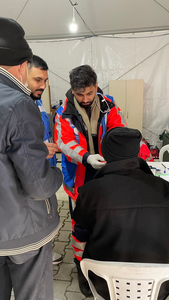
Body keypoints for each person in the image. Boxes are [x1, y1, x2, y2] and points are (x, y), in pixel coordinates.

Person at [0, 17, 63, 300]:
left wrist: (35, 151)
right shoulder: (18, 103)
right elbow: (38, 185)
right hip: (23, 234)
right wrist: (57, 174)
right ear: (25, 66)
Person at [54, 64, 127, 296]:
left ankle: (101, 265)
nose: (85, 99)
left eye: (89, 92)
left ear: (96, 85)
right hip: (79, 177)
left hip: (106, 172)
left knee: (106, 219)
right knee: (80, 226)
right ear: (72, 91)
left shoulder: (109, 104)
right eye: (79, 95)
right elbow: (64, 143)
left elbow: (118, 129)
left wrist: (116, 152)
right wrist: (86, 157)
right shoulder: (63, 112)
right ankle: (81, 269)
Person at [74, 127, 169, 300]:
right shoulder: (164, 188)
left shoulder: (89, 192)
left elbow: (79, 237)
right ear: (137, 152)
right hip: (159, 287)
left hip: (105, 285)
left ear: (105, 154)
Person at [28, 54, 62, 264]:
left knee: (49, 213)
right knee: (38, 217)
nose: (42, 85)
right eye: (37, 80)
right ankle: (39, 256)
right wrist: (40, 149)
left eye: (45, 81)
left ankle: (46, 252)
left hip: (46, 169)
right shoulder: (18, 106)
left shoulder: (37, 101)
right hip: (33, 175)